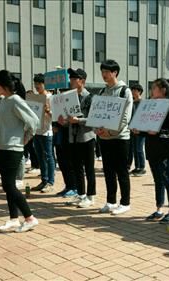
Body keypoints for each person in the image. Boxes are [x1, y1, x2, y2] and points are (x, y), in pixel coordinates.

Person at [0, 70, 39, 233]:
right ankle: (14, 218)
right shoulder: (5, 100)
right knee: (9, 185)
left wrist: (25, 139)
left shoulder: (15, 100)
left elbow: (33, 121)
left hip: (13, 149)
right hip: (3, 147)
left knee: (9, 186)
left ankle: (29, 218)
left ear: (3, 85)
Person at [136, 78, 169, 224]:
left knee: (167, 177)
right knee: (157, 179)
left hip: (166, 149)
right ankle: (159, 209)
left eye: (154, 88)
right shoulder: (149, 105)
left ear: (163, 90)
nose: (151, 91)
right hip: (152, 147)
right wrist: (138, 130)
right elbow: (146, 129)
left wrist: (158, 132)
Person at [95, 60, 133, 215]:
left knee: (121, 171)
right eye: (102, 71)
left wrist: (111, 133)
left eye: (107, 72)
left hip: (120, 138)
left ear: (115, 72)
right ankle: (111, 201)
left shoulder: (125, 91)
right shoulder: (102, 93)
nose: (104, 75)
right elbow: (96, 115)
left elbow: (125, 117)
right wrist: (98, 129)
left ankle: (125, 202)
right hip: (104, 139)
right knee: (108, 171)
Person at [63, 68, 97, 208]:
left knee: (89, 168)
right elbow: (68, 119)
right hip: (73, 137)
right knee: (77, 167)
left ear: (82, 81)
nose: (71, 81)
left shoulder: (91, 98)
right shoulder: (70, 97)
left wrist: (79, 121)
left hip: (87, 137)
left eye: (74, 78)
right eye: (70, 78)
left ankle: (91, 196)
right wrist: (63, 121)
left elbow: (94, 119)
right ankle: (81, 194)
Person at [31, 73, 56, 193]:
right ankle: (44, 180)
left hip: (46, 131)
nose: (37, 86)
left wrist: (48, 111)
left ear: (45, 84)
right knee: (40, 156)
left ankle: (50, 182)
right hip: (37, 131)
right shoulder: (35, 98)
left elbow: (55, 115)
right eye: (35, 83)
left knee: (48, 156)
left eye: (39, 84)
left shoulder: (50, 97)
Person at [128, 84, 147, 176]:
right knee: (134, 149)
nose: (133, 92)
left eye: (134, 90)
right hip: (132, 128)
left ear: (139, 91)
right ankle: (137, 167)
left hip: (141, 129)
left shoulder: (143, 103)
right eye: (132, 90)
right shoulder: (132, 102)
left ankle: (142, 167)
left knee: (139, 148)